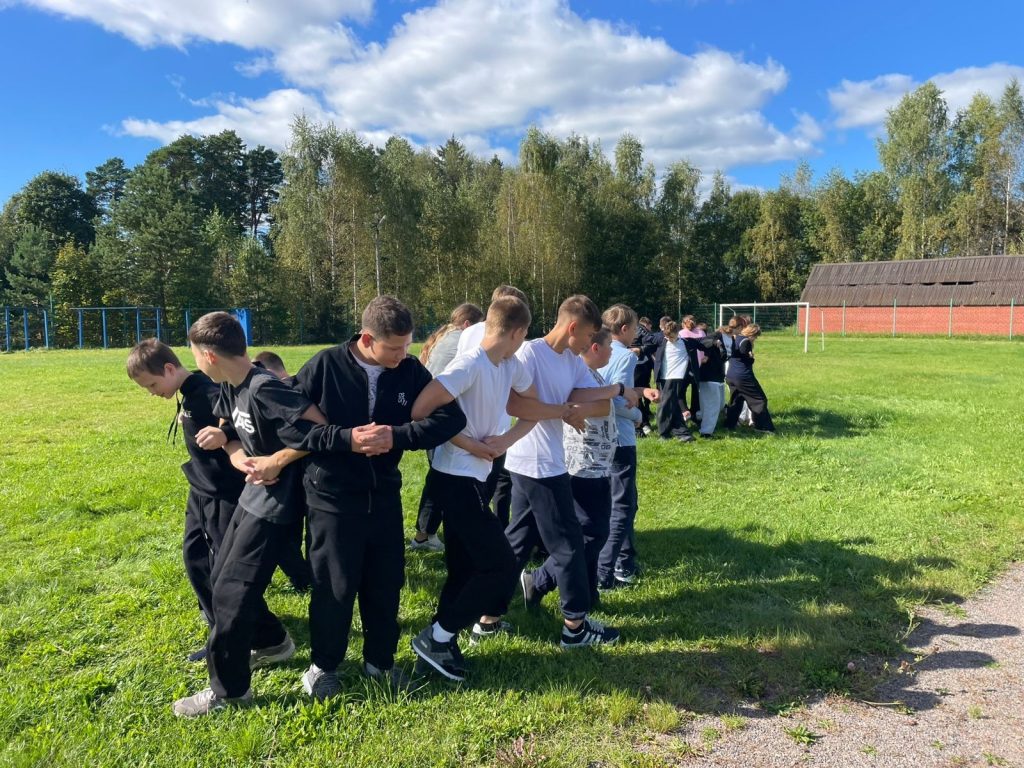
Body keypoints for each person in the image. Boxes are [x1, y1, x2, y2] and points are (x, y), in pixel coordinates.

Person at [289, 296, 467, 700]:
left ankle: (381, 663)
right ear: (367, 339)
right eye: (394, 348)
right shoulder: (324, 366)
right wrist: (345, 440)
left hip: (383, 496)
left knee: (385, 584)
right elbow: (290, 425)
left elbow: (451, 418)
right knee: (333, 586)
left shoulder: (409, 370)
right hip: (331, 498)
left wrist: (397, 436)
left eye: (407, 346)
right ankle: (324, 667)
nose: (403, 355)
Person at [172, 312, 325, 717]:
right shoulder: (230, 385)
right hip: (251, 496)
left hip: (277, 507)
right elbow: (230, 425)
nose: (194, 361)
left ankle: (229, 692)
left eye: (194, 354)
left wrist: (277, 460)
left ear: (208, 355)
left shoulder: (264, 387)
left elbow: (321, 428)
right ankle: (272, 645)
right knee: (221, 580)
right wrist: (234, 450)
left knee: (231, 594)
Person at [405, 296, 535, 681]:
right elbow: (420, 410)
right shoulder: (469, 364)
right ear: (517, 333)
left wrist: (507, 439)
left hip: (478, 477)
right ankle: (437, 636)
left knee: (464, 568)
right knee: (500, 566)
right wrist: (469, 444)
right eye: (525, 335)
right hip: (454, 478)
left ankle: (441, 643)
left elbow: (530, 406)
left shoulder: (506, 364)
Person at [502, 295, 632, 648]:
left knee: (517, 543)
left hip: (543, 462)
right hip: (537, 463)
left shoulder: (570, 360)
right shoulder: (530, 354)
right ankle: (575, 628)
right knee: (569, 545)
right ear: (572, 327)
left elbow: (596, 401)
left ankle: (487, 617)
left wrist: (612, 392)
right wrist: (562, 410)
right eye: (588, 336)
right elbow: (515, 404)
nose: (589, 345)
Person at [127, 339, 243, 663]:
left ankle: (256, 635)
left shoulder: (207, 392)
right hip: (200, 491)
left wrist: (226, 434)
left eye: (152, 385)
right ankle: (218, 629)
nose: (152, 393)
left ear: (168, 369)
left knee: (222, 571)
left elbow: (244, 420)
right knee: (195, 560)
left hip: (222, 494)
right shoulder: (191, 395)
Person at [410, 303, 485, 552]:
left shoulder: (444, 337)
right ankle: (428, 535)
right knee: (441, 481)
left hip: (434, 416)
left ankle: (425, 534)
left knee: (437, 479)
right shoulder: (460, 341)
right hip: (440, 418)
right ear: (468, 325)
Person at [456, 285, 531, 528]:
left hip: (471, 430)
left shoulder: (470, 334)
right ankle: (495, 528)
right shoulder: (494, 350)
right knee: (494, 488)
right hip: (487, 433)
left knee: (476, 500)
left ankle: (489, 529)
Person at [597, 305, 657, 590]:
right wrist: (638, 415)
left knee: (616, 502)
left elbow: (611, 389)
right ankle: (610, 570)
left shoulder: (595, 351)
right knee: (623, 506)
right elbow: (617, 400)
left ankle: (624, 560)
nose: (636, 334)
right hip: (620, 438)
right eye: (634, 329)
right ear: (624, 329)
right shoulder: (625, 356)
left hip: (599, 439)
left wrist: (641, 391)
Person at [562, 327, 620, 604]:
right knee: (592, 533)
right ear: (595, 347)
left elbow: (603, 404)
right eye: (609, 345)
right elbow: (578, 400)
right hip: (584, 466)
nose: (612, 351)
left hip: (598, 465)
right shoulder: (579, 373)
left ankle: (588, 592)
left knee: (596, 531)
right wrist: (617, 390)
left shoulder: (593, 375)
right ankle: (541, 580)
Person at [250, 350, 312, 592]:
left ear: (266, 371)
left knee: (284, 535)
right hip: (302, 476)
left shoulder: (274, 391)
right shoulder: (301, 387)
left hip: (284, 476)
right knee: (294, 532)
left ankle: (303, 578)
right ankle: (303, 576)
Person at [725, 323, 776, 433]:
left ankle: (729, 424)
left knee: (736, 401)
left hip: (731, 375)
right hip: (743, 376)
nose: (755, 339)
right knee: (759, 400)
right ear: (752, 334)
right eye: (756, 336)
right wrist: (751, 358)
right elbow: (745, 357)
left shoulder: (735, 338)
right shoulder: (746, 341)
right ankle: (762, 427)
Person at [655, 317, 695, 442]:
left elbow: (703, 342)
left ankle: (664, 433)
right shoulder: (662, 340)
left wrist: (715, 341)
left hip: (676, 376)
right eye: (667, 337)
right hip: (663, 377)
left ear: (678, 333)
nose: (669, 339)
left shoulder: (686, 343)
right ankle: (681, 431)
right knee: (672, 404)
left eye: (672, 337)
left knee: (665, 404)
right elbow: (647, 341)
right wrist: (639, 349)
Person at [696, 326, 729, 438]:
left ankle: (699, 416)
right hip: (709, 377)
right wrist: (714, 342)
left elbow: (724, 357)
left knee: (719, 405)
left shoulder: (729, 340)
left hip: (718, 377)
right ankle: (706, 432)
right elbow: (701, 341)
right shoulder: (714, 336)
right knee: (712, 406)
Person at [630, 317, 660, 437]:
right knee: (634, 393)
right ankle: (642, 423)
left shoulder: (640, 330)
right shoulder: (615, 332)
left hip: (640, 365)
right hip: (635, 365)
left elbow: (652, 344)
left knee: (637, 393)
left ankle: (643, 423)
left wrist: (640, 350)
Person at [678, 315, 705, 423]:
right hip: (700, 365)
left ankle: (684, 411)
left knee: (681, 390)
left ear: (683, 324)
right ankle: (695, 412)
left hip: (685, 366)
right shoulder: (701, 333)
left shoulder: (681, 334)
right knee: (696, 391)